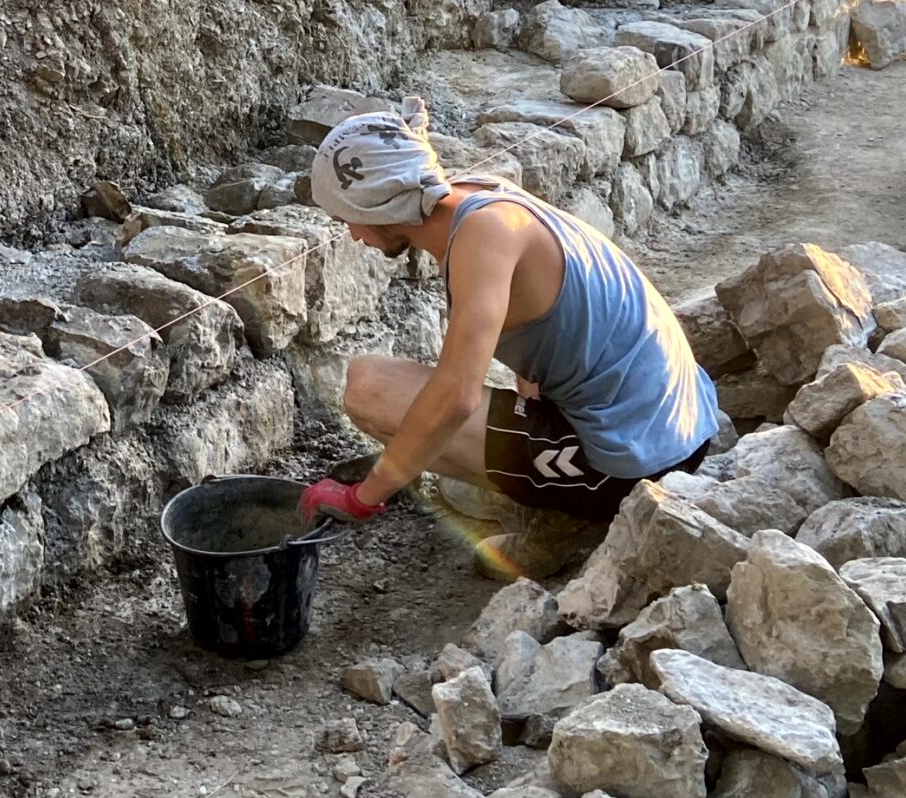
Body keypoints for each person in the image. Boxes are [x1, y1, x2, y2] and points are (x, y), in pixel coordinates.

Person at [296, 102, 720, 557]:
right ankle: (537, 491)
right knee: (375, 383)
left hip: (636, 466)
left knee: (371, 393)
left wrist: (361, 499)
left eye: (348, 220)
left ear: (378, 203)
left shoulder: (481, 238)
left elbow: (455, 397)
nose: (355, 236)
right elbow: (545, 335)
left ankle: (570, 522)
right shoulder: (481, 197)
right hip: (676, 422)